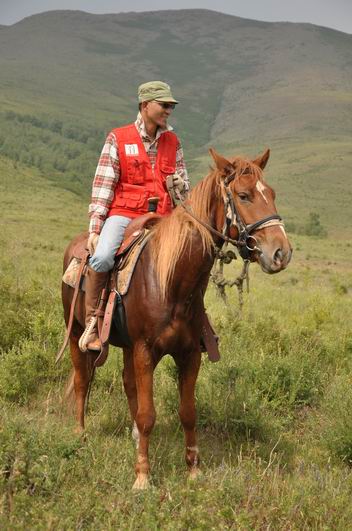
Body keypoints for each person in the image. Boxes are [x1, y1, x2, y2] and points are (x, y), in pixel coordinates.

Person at [79, 81, 189, 352]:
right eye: (164, 105)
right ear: (145, 105)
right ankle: (93, 322)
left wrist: (179, 188)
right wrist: (95, 229)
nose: (169, 110)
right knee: (103, 256)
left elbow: (183, 190)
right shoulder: (119, 137)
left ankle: (196, 323)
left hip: (164, 217)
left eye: (171, 106)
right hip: (124, 214)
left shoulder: (173, 141)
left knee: (191, 258)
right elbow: (103, 186)